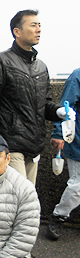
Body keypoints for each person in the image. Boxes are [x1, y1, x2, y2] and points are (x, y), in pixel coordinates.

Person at [0, 9, 74, 258]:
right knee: (21, 201)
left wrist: (58, 111)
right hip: (11, 145)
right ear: (17, 31)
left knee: (26, 203)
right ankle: (14, 256)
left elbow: (44, 104)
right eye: (33, 25)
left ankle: (20, 253)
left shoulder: (41, 67)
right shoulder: (1, 61)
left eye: (40, 25)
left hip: (34, 144)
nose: (39, 29)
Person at [48, 68, 80, 240]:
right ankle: (58, 215)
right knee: (77, 186)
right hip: (78, 141)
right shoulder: (77, 76)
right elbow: (65, 106)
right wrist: (59, 134)